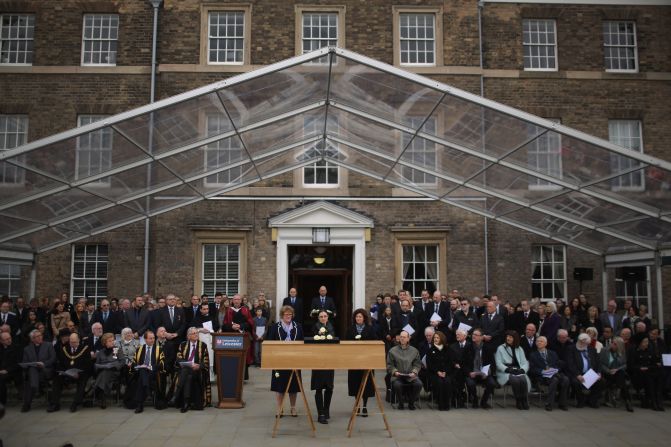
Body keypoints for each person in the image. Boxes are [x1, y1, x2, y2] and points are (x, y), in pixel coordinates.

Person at [267, 305, 303, 417]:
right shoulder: (275, 327)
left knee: (293, 386)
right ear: (282, 315)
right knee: (280, 386)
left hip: (294, 360)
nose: (288, 316)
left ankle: (293, 408)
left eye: (290, 314)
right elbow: (269, 343)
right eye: (286, 314)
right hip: (279, 360)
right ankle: (280, 408)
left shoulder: (298, 326)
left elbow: (302, 342)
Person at [169, 327, 211, 412]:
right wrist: (189, 364)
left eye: (197, 333)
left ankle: (176, 395)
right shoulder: (183, 345)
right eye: (194, 333)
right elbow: (178, 358)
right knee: (187, 375)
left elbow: (206, 361)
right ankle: (186, 403)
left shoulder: (203, 345)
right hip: (186, 370)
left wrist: (199, 366)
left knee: (186, 372)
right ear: (188, 336)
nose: (196, 335)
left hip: (197, 371)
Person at [346, 309, 377, 417]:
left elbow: (374, 343)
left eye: (360, 317)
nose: (358, 318)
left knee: (366, 383)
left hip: (367, 359)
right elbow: (346, 343)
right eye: (356, 317)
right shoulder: (350, 329)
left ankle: (364, 406)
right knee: (355, 383)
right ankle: (357, 405)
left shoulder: (370, 329)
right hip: (354, 360)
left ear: (364, 318)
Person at [50, 332, 92, 413]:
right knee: (57, 379)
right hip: (67, 373)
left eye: (75, 342)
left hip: (80, 374)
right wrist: (64, 371)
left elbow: (88, 364)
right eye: (71, 342)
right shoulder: (65, 349)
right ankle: (54, 404)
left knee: (83, 380)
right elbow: (61, 362)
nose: (73, 344)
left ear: (79, 340)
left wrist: (78, 373)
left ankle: (75, 403)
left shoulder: (85, 349)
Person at [128, 330, 166, 413]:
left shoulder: (159, 349)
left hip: (153, 372)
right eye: (150, 338)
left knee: (143, 374)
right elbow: (134, 361)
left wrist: (151, 367)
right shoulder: (139, 349)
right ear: (145, 339)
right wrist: (139, 366)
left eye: (153, 338)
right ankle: (147, 389)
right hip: (141, 371)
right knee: (142, 371)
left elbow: (162, 363)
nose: (152, 340)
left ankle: (140, 405)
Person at [529, 336, 569, 411]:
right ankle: (549, 403)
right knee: (555, 380)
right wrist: (543, 371)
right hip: (542, 376)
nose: (539, 343)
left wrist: (555, 370)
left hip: (554, 373)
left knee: (566, 379)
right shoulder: (533, 355)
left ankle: (562, 403)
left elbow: (558, 364)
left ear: (546, 343)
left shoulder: (553, 353)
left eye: (541, 341)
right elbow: (532, 369)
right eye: (537, 341)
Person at [20, 329, 56, 412]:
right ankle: (35, 388)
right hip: (34, 372)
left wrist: (44, 364)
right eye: (37, 336)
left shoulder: (48, 345)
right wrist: (30, 364)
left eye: (41, 335)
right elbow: (25, 362)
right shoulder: (27, 349)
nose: (40, 337)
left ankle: (27, 403)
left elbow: (53, 358)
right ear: (32, 339)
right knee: (32, 369)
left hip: (46, 370)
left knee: (30, 380)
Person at [495, 330, 531, 410]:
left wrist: (522, 370)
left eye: (510, 337)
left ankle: (524, 400)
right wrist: (507, 369)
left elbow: (525, 362)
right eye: (507, 336)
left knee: (523, 379)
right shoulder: (501, 348)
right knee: (515, 380)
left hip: (518, 370)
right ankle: (518, 400)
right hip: (506, 371)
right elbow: (498, 363)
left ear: (515, 338)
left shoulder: (519, 348)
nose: (508, 338)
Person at [387, 330, 422, 410]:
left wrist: (414, 372)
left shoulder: (414, 351)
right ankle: (401, 403)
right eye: (401, 337)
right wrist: (395, 372)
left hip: (411, 376)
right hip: (398, 376)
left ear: (408, 339)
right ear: (398, 338)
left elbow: (417, 364)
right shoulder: (392, 351)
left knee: (419, 384)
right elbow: (389, 365)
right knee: (397, 385)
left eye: (404, 337)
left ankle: (411, 402)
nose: (402, 339)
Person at [567, 333, 603, 408]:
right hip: (578, 373)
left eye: (583, 342)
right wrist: (577, 375)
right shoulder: (571, 349)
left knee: (601, 381)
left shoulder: (592, 349)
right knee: (575, 382)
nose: (580, 343)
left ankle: (592, 400)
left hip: (591, 373)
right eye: (580, 341)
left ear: (587, 343)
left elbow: (598, 362)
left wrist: (598, 372)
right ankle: (581, 400)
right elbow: (570, 364)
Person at [311, 310, 335, 424]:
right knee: (319, 387)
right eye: (321, 316)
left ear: (328, 317)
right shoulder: (315, 327)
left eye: (325, 316)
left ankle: (326, 410)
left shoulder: (331, 327)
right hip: (318, 360)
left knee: (329, 388)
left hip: (330, 359)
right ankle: (320, 413)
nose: (323, 318)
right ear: (318, 318)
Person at [222, 294, 255, 374]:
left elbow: (250, 323)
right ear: (232, 301)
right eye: (235, 299)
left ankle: (243, 376)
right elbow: (224, 325)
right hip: (232, 339)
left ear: (241, 301)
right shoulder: (229, 310)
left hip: (243, 337)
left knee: (244, 356)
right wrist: (232, 327)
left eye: (238, 299)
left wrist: (241, 326)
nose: (237, 301)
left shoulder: (245, 310)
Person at [629, 337, 664, 411]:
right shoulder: (635, 351)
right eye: (645, 342)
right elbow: (631, 365)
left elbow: (654, 362)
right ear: (640, 343)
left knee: (658, 376)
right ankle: (653, 401)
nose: (647, 344)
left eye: (647, 342)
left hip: (649, 372)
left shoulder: (650, 351)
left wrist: (655, 365)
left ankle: (658, 401)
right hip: (638, 374)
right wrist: (640, 368)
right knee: (649, 378)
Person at [599, 337, 633, 412]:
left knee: (620, 373)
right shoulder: (604, 350)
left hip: (617, 373)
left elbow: (624, 365)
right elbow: (601, 364)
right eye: (612, 343)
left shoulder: (622, 352)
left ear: (619, 346)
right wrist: (609, 371)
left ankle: (624, 396)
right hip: (607, 374)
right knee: (622, 379)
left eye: (615, 344)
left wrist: (617, 369)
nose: (612, 344)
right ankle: (626, 399)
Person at [426, 330, 453, 411]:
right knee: (439, 382)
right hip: (434, 373)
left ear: (442, 338)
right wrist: (437, 372)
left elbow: (450, 362)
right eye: (434, 338)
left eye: (437, 338)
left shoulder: (447, 349)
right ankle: (440, 404)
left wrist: (445, 372)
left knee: (447, 382)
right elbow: (430, 364)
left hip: (446, 373)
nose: (436, 339)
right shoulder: (431, 350)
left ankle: (447, 404)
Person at [94, 332, 122, 409]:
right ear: (104, 342)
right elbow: (96, 365)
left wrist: (113, 365)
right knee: (105, 372)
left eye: (113, 340)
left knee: (106, 372)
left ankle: (99, 392)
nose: (112, 342)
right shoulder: (100, 352)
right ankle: (103, 396)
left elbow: (122, 362)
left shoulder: (116, 350)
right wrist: (103, 366)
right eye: (110, 341)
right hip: (103, 372)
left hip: (114, 372)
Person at [0, 332, 20, 406]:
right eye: (6, 339)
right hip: (1, 371)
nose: (9, 340)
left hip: (13, 372)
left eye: (10, 338)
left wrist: (7, 370)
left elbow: (18, 364)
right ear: (1, 341)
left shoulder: (16, 347)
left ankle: (2, 403)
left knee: (1, 380)